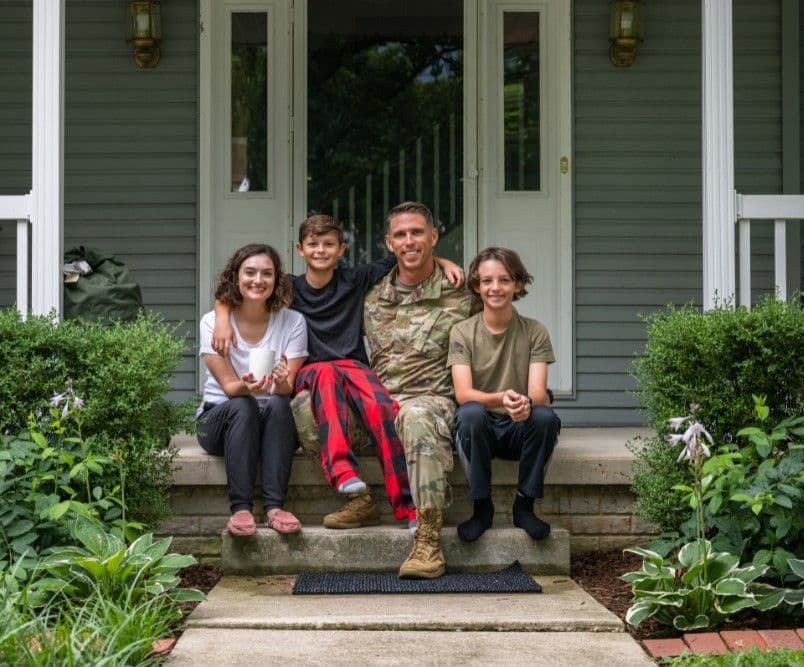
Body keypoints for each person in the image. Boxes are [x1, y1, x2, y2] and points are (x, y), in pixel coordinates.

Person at [211, 215, 464, 531]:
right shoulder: (289, 287)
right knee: (326, 375)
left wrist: (443, 261)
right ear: (300, 249)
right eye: (313, 244)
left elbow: (406, 256)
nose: (320, 250)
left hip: (354, 367)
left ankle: (408, 506)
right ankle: (343, 472)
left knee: (383, 407)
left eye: (328, 244)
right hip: (311, 372)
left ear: (342, 249)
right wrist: (222, 317)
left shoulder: (354, 279)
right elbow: (240, 288)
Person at [364, 201, 473, 579]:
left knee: (415, 415)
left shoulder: (462, 292)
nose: (409, 241)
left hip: (431, 401)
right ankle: (357, 498)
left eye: (417, 233)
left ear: (433, 237)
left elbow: (506, 299)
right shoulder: (371, 293)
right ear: (388, 242)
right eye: (400, 235)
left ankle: (428, 539)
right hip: (377, 405)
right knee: (302, 407)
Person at [447, 247, 560, 543]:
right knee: (469, 413)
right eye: (486, 281)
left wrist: (525, 403)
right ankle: (481, 507)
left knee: (545, 417)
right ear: (476, 286)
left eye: (504, 280)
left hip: (517, 427)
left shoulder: (535, 331)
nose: (495, 288)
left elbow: (538, 393)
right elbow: (463, 393)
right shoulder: (462, 332)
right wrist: (501, 399)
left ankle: (524, 505)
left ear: (517, 284)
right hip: (480, 429)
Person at [196, 243, 308, 537]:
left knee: (280, 404)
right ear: (235, 277)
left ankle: (274, 507)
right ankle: (241, 508)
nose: (258, 280)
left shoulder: (293, 322)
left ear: (276, 280)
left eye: (267, 274)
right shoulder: (212, 323)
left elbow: (286, 389)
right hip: (219, 419)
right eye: (250, 272)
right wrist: (246, 386)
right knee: (243, 405)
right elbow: (231, 388)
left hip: (272, 420)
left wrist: (282, 380)